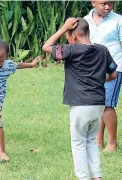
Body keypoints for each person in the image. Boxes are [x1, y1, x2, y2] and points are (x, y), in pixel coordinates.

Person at [42, 18, 117, 180]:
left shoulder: (71, 50)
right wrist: (99, 80)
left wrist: (63, 28)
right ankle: (97, 176)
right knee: (91, 141)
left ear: (73, 36)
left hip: (80, 104)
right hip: (98, 104)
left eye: (68, 36)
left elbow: (46, 47)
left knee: (78, 143)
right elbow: (114, 74)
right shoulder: (103, 50)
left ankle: (83, 178)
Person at [84, 0, 122, 152]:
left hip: (114, 68)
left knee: (107, 104)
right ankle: (97, 140)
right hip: (93, 70)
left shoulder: (118, 20)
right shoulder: (85, 21)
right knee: (97, 104)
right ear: (93, 2)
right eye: (104, 3)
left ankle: (112, 143)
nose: (108, 7)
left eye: (111, 3)